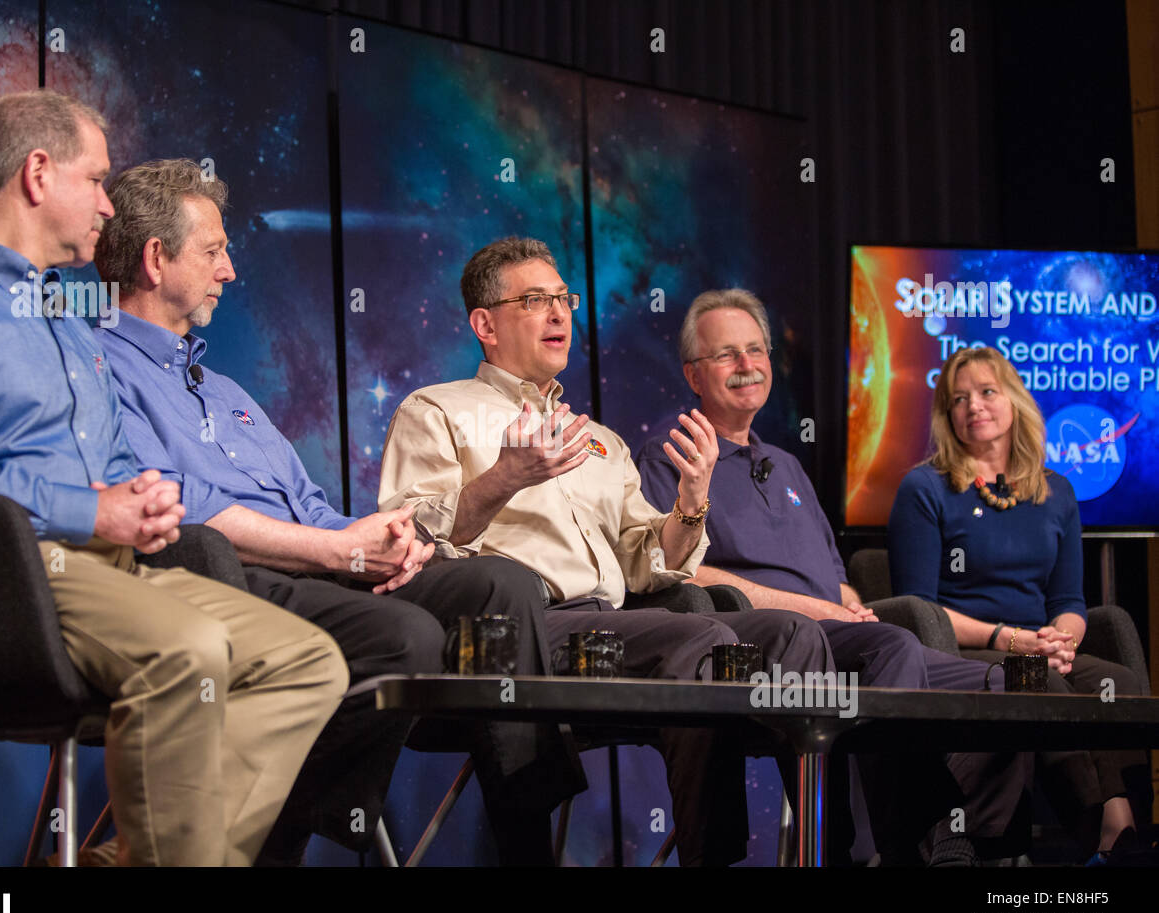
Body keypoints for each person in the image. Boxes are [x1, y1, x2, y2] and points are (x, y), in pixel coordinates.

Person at [0, 91, 348, 866]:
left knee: (308, 663)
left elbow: (116, 468)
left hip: (119, 572)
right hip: (8, 575)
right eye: (96, 182)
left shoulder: (70, 326)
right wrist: (94, 513)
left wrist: (144, 501)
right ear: (37, 173)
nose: (106, 206)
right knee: (189, 651)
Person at [93, 161, 582, 865]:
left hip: (315, 567)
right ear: (154, 258)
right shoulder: (100, 366)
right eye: (214, 251)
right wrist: (336, 552)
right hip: (218, 578)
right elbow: (174, 509)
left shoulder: (224, 387)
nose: (229, 271)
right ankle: (260, 846)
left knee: (499, 585)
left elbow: (311, 506)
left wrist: (380, 538)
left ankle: (528, 845)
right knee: (405, 636)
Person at [378, 237, 835, 866]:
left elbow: (652, 562)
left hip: (615, 627)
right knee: (702, 641)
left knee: (793, 636)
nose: (560, 314)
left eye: (563, 298)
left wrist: (692, 501)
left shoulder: (599, 440)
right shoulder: (436, 411)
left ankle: (826, 853)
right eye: (535, 300)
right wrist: (504, 477)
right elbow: (413, 544)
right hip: (521, 636)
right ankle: (714, 860)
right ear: (484, 324)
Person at [634, 288, 1030, 864]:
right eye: (726, 356)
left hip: (844, 636)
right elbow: (679, 572)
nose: (747, 366)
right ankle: (907, 850)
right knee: (893, 648)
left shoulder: (789, 465)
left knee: (1005, 684)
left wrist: (850, 605)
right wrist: (825, 613)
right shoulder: (670, 456)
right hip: (763, 645)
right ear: (694, 376)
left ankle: (970, 842)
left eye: (755, 351)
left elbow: (833, 576)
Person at [888, 345, 1150, 860]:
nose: (974, 406)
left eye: (988, 391)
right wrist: (1009, 639)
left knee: (1113, 681)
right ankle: (1100, 834)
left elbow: (1070, 600)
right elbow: (918, 609)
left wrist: (1062, 640)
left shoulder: (1057, 492)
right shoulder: (926, 488)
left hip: (1040, 645)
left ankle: (1128, 826)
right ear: (947, 415)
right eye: (959, 398)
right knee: (1038, 678)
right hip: (965, 650)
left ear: (1015, 402)